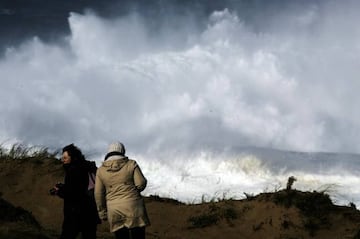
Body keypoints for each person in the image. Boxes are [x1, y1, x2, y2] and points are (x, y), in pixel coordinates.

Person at [94, 141, 150, 239]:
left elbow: (98, 193)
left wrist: (102, 213)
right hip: (133, 206)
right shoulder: (131, 164)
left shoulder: (101, 170)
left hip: (114, 209)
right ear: (122, 151)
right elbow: (141, 183)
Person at [50, 143, 100, 239]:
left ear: (72, 157)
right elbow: (80, 187)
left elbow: (73, 193)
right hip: (90, 211)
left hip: (75, 212)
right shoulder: (88, 167)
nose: (62, 160)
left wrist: (59, 191)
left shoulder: (73, 170)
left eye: (65, 157)